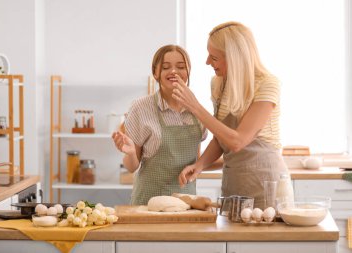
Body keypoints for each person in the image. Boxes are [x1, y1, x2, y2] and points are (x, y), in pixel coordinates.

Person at [173, 21, 289, 209]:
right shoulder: (219, 84)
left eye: (214, 57)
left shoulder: (267, 84)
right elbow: (221, 138)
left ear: (234, 58)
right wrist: (200, 164)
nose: (207, 62)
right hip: (234, 186)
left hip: (267, 187)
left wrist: (195, 106)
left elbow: (237, 141)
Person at [112, 45, 207, 205]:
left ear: (188, 72)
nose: (174, 71)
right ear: (155, 72)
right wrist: (130, 153)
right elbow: (131, 167)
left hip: (186, 204)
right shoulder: (141, 107)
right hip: (148, 204)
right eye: (165, 67)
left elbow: (196, 162)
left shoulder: (196, 110)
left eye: (181, 67)